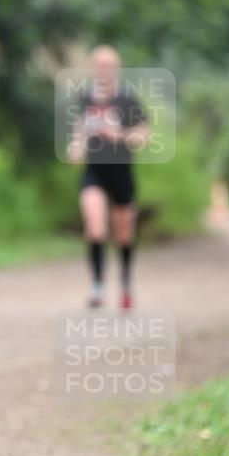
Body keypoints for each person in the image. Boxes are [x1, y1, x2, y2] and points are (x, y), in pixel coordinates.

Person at [66, 46, 149, 309]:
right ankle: (97, 286)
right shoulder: (86, 98)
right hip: (95, 171)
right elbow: (80, 128)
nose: (104, 70)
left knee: (124, 233)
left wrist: (120, 136)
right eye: (99, 65)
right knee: (95, 226)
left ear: (117, 69)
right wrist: (76, 146)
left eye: (109, 65)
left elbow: (144, 135)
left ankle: (125, 283)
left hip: (121, 171)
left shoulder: (127, 99)